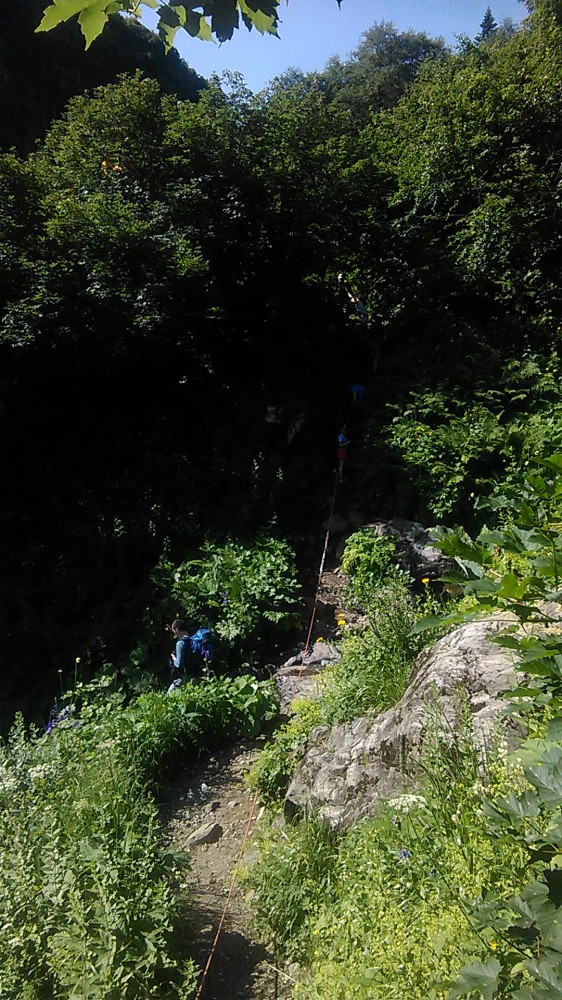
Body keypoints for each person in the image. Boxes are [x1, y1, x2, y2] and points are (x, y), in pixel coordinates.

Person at [167, 618, 191, 694]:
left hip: (185, 675)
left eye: (173, 631)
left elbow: (179, 664)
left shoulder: (180, 643)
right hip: (195, 672)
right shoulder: (191, 639)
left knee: (168, 695)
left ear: (176, 630)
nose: (174, 633)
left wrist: (174, 658)